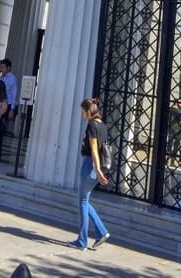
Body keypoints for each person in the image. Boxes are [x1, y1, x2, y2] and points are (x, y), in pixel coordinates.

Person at [69, 97, 110, 251]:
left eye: (83, 112)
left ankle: (82, 240)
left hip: (90, 165)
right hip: (96, 166)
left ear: (88, 111)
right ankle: (101, 231)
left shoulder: (92, 125)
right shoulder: (103, 126)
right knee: (84, 200)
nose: (82, 115)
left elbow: (94, 149)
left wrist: (97, 169)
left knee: (82, 201)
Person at [0, 58, 18, 162]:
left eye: (3, 67)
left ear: (8, 68)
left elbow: (14, 94)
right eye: (1, 67)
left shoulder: (12, 79)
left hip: (7, 106)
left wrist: (12, 109)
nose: (1, 69)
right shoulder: (0, 78)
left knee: (0, 130)